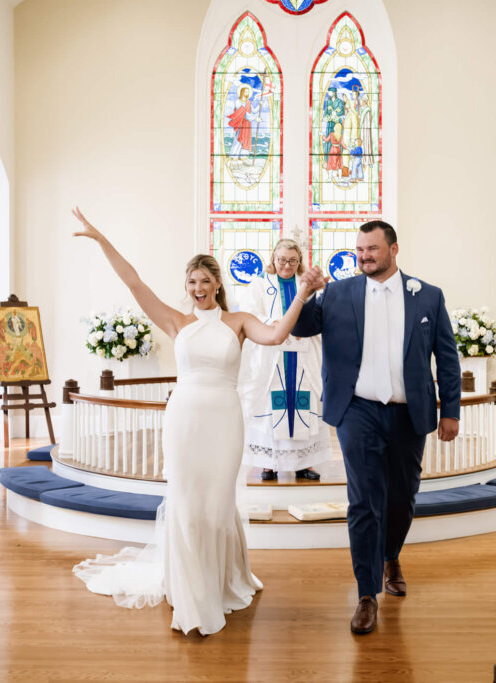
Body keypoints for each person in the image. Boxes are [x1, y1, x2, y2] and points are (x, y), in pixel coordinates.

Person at [69, 207, 323, 636]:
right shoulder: (176, 321)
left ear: (218, 284)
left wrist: (301, 293)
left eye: (205, 281)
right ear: (186, 286)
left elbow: (277, 335)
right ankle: (190, 593)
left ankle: (221, 579)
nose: (198, 288)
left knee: (217, 503)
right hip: (185, 419)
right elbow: (134, 281)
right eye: (192, 282)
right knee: (185, 501)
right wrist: (99, 238)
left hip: (224, 419)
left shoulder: (238, 322)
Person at [294, 221, 461, 634]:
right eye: (359, 249)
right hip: (357, 410)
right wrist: (305, 291)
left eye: (372, 248)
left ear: (393, 249)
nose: (364, 256)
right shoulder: (337, 293)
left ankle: (391, 556)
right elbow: (300, 327)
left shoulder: (429, 296)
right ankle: (366, 594)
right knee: (364, 500)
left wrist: (451, 411)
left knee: (402, 497)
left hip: (409, 413)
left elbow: (447, 357)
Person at [237, 238, 330, 482]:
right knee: (271, 406)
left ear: (299, 262)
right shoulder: (259, 284)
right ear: (273, 258)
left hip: (302, 356)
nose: (286, 265)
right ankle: (268, 464)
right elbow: (248, 313)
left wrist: (306, 325)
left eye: (292, 261)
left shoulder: (305, 284)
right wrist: (272, 323)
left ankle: (303, 463)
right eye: (282, 260)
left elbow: (320, 313)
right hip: (272, 357)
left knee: (303, 404)